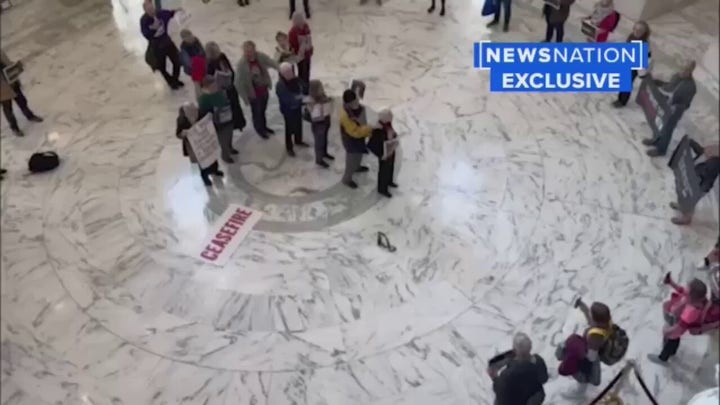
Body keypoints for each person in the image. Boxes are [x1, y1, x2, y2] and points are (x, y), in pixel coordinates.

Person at [648, 276, 712, 364]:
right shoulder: (697, 300)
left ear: (691, 297)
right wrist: (671, 283)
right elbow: (682, 291)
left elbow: (680, 326)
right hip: (677, 324)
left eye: (687, 289)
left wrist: (668, 332)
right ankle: (673, 351)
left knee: (670, 341)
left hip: (676, 327)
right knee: (675, 341)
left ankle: (662, 358)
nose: (685, 290)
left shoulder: (691, 312)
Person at [643, 61, 697, 157]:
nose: (684, 71)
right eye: (683, 68)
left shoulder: (691, 87)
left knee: (667, 129)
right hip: (665, 104)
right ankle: (655, 140)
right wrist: (659, 83)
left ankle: (661, 149)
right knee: (659, 124)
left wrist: (677, 107)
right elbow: (669, 86)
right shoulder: (676, 76)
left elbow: (686, 104)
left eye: (687, 70)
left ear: (691, 72)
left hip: (675, 110)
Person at [488, 333, 548, 405]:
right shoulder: (538, 361)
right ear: (530, 346)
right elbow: (544, 378)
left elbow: (499, 391)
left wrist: (495, 378)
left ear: (514, 349)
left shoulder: (508, 374)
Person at [235, 41, 279, 139]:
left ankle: (264, 126)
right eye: (246, 51)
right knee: (257, 113)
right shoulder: (242, 64)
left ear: (254, 49)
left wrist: (280, 68)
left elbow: (270, 61)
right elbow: (238, 83)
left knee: (263, 111)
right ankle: (259, 129)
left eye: (250, 51)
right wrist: (245, 99)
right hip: (253, 94)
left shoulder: (260, 56)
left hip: (263, 90)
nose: (249, 53)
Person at [668, 142, 719, 225]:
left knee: (697, 191)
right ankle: (683, 206)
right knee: (691, 183)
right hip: (711, 162)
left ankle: (687, 217)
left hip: (713, 169)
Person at [176, 102, 224, 186]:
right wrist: (183, 133)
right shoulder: (182, 120)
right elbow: (178, 134)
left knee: (212, 157)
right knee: (201, 161)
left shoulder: (201, 114)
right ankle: (205, 177)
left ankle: (214, 170)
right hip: (194, 146)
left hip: (205, 141)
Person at [140, 0, 184, 90]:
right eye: (149, 9)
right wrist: (153, 29)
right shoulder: (144, 20)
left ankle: (175, 80)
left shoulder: (160, 13)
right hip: (157, 46)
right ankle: (171, 82)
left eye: (152, 8)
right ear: (145, 11)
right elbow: (145, 33)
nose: (151, 11)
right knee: (161, 66)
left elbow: (169, 13)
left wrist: (177, 10)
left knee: (177, 61)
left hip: (166, 41)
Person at [206, 42, 246, 132]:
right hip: (222, 92)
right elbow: (209, 80)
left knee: (236, 106)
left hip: (231, 87)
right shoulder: (209, 64)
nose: (217, 54)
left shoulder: (222, 56)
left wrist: (230, 74)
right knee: (228, 110)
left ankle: (240, 123)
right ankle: (232, 126)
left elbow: (229, 68)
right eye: (215, 53)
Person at [0, 50, 43, 136]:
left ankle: (30, 116)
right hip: (2, 87)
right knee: (8, 108)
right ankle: (14, 128)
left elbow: (7, 63)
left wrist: (16, 67)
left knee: (22, 100)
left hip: (12, 81)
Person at [572, 299, 612, 386]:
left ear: (595, 320)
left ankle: (584, 385)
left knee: (587, 373)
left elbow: (592, 358)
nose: (589, 313)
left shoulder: (595, 336)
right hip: (596, 348)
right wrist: (581, 304)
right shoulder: (605, 323)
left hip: (592, 352)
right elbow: (588, 315)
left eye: (591, 313)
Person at [198, 76, 237, 163]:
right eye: (213, 85)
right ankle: (225, 156)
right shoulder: (204, 98)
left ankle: (230, 148)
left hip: (228, 118)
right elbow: (204, 114)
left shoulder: (219, 92)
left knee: (229, 135)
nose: (216, 87)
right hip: (218, 123)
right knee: (223, 140)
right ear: (207, 87)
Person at [613, 21, 651, 108]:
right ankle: (619, 99)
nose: (637, 32)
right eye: (636, 29)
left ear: (644, 32)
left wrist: (642, 73)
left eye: (640, 30)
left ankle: (622, 101)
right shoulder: (631, 36)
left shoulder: (643, 44)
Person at [339, 89, 373, 189]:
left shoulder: (358, 108)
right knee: (351, 160)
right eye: (354, 102)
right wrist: (369, 129)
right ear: (349, 104)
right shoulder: (345, 116)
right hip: (350, 141)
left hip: (360, 137)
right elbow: (355, 132)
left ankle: (357, 167)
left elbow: (362, 122)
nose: (357, 102)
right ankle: (347, 179)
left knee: (359, 153)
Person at [276, 63, 307, 157]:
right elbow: (287, 98)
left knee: (298, 124)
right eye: (287, 72)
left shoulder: (296, 79)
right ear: (282, 74)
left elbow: (304, 87)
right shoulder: (280, 85)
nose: (290, 73)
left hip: (297, 107)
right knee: (289, 128)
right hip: (288, 110)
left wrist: (304, 92)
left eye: (290, 71)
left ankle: (298, 140)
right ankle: (289, 147)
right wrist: (300, 98)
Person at [367, 109, 399, 198]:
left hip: (390, 149)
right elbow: (378, 142)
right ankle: (382, 189)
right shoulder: (378, 128)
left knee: (390, 166)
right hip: (383, 152)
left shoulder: (387, 125)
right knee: (384, 170)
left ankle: (389, 181)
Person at [307, 80, 334, 167]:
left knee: (324, 139)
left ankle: (324, 153)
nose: (322, 89)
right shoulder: (311, 100)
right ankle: (319, 159)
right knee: (319, 142)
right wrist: (321, 106)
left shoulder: (323, 96)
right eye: (320, 88)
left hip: (326, 120)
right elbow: (313, 114)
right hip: (318, 123)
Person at [289, 12, 313, 94]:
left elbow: (309, 39)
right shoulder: (293, 32)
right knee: (302, 73)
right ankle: (303, 90)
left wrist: (310, 49)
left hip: (307, 55)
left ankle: (307, 89)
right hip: (300, 56)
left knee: (307, 73)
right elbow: (292, 45)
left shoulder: (306, 28)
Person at [179, 29, 206, 98]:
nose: (190, 38)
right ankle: (200, 98)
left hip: (201, 64)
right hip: (193, 69)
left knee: (204, 80)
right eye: (187, 37)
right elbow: (187, 62)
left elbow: (202, 50)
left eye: (190, 35)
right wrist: (196, 64)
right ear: (184, 39)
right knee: (197, 83)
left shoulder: (196, 40)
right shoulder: (183, 48)